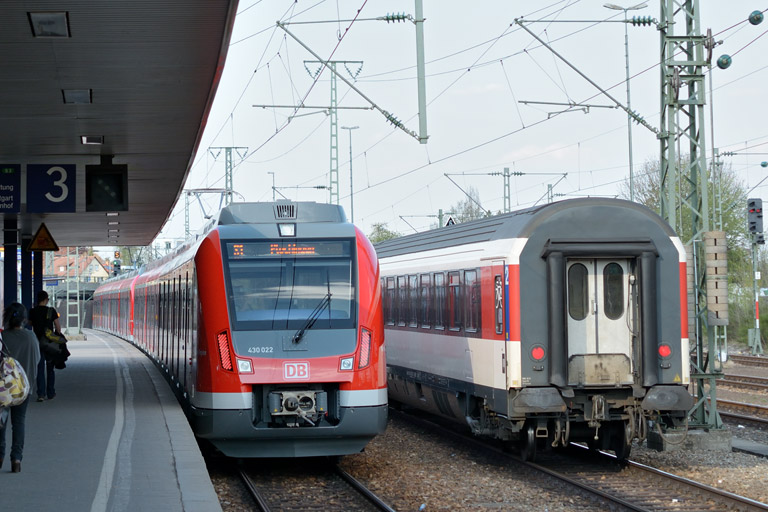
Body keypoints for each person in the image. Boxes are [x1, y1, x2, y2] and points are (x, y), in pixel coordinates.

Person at [0, 303, 41, 473]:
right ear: (24, 319)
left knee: (1, 423)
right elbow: (37, 359)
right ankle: (16, 459)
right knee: (19, 422)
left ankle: (0, 455)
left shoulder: (3, 338)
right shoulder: (31, 337)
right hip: (23, 389)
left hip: (3, 390)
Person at [29, 290, 62, 401]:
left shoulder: (32, 311)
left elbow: (29, 324)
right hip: (49, 343)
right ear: (46, 299)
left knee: (39, 368)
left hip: (37, 342)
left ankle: (41, 394)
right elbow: (58, 327)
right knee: (50, 368)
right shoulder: (51, 311)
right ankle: (51, 393)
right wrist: (57, 336)